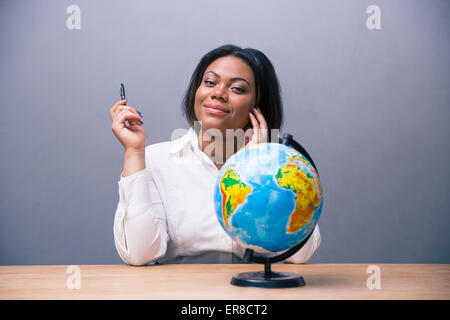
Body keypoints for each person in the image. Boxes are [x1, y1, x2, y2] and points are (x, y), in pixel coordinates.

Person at [110, 44, 321, 265]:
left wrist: (257, 165)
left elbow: (299, 254)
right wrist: (134, 151)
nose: (218, 93)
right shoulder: (155, 159)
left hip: (255, 295)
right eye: (210, 82)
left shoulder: (280, 164)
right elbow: (139, 254)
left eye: (237, 89)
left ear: (258, 106)